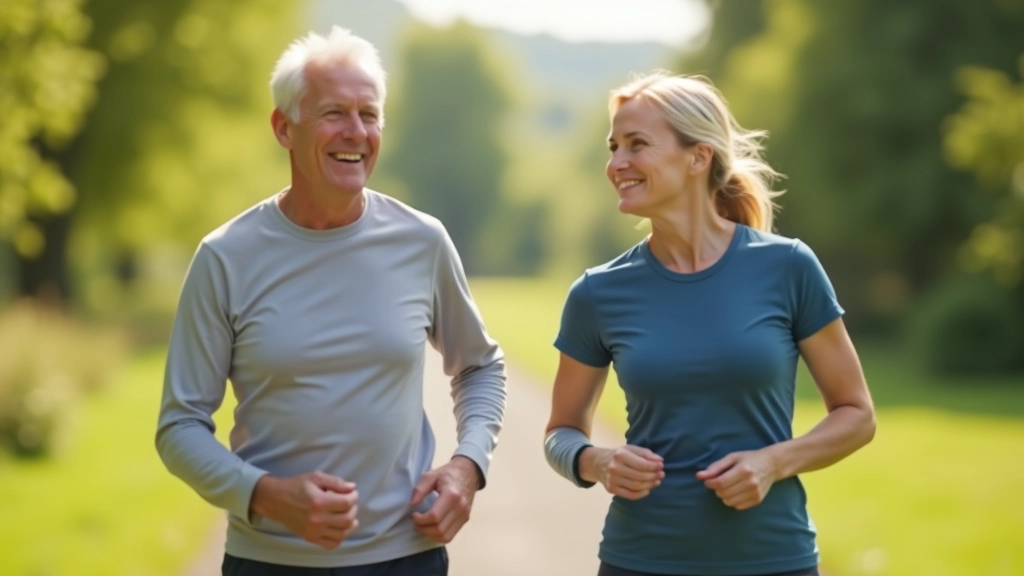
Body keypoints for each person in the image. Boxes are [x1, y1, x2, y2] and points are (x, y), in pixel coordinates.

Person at [156, 26, 507, 576]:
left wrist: (468, 466)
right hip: (268, 562)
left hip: (406, 559)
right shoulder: (225, 257)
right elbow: (179, 426)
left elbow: (481, 366)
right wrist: (265, 495)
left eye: (369, 114)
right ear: (283, 127)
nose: (356, 132)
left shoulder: (422, 240)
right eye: (334, 113)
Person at [543, 72, 876, 576]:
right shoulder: (598, 292)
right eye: (613, 147)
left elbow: (857, 415)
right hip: (640, 561)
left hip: (774, 559)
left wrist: (773, 462)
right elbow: (561, 432)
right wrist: (597, 462)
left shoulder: (788, 268)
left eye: (636, 145)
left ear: (698, 157)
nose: (616, 164)